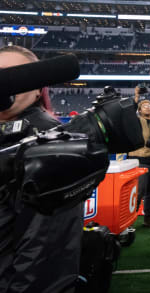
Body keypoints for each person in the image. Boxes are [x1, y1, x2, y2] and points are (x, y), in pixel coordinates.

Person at [0, 46, 80, 293]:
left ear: (37, 89)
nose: (5, 83)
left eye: (16, 75)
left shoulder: (50, 141)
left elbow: (44, 253)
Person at [128, 92, 150, 228]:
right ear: (139, 110)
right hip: (140, 160)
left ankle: (148, 219)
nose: (148, 107)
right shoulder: (136, 121)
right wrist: (136, 97)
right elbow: (129, 113)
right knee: (138, 192)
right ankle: (128, 222)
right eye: (145, 105)